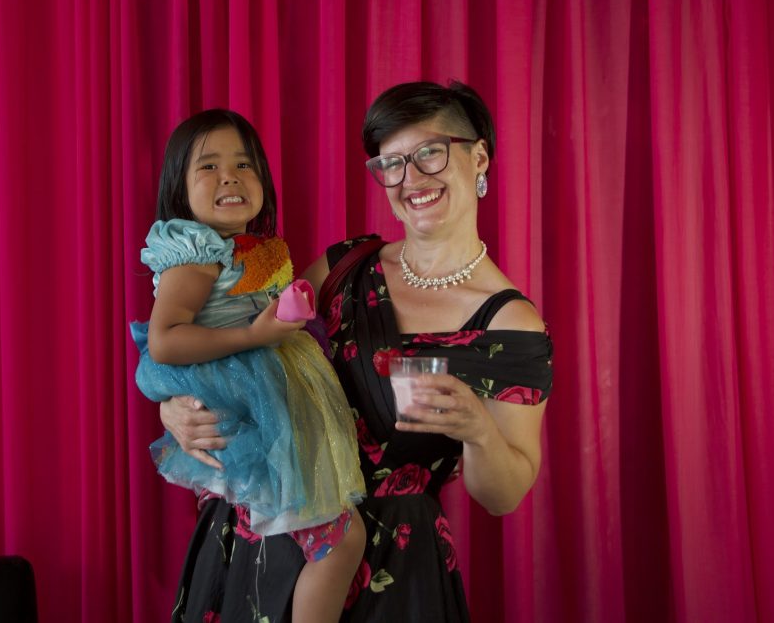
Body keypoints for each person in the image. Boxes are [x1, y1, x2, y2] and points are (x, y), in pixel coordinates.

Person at [160, 82, 553, 622]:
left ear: (478, 156)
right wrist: (176, 406)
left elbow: (503, 495)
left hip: (391, 568)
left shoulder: (508, 324)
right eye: (391, 163)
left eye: (430, 154)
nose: (411, 178)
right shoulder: (346, 267)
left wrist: (477, 430)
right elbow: (244, 346)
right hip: (265, 534)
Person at [130, 109, 367, 623]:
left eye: (243, 164)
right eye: (208, 167)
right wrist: (254, 334)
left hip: (261, 388)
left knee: (330, 538)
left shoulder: (254, 251)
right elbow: (166, 342)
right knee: (342, 539)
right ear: (179, 188)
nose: (230, 176)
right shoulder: (196, 254)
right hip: (240, 391)